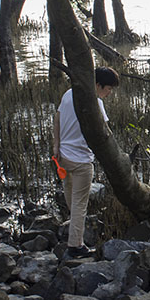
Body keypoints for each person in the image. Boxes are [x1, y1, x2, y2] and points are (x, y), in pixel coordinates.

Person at [52, 67, 120, 259]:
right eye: (108, 88)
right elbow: (105, 132)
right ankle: (75, 245)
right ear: (98, 85)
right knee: (80, 203)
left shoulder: (69, 93)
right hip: (81, 160)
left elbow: (57, 117)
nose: (109, 93)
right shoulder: (95, 103)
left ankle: (73, 226)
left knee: (72, 196)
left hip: (63, 157)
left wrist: (56, 145)